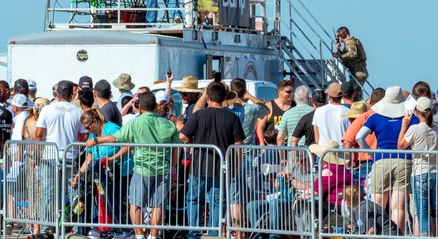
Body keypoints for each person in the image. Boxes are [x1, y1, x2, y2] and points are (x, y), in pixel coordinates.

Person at [87, 91, 182, 239]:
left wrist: (95, 141)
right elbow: (177, 147)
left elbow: (115, 138)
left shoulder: (135, 123)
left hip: (141, 169)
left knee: (135, 204)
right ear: (156, 106)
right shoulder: (168, 124)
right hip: (163, 169)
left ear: (140, 107)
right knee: (157, 206)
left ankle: (139, 236)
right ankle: (153, 236)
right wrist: (173, 166)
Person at [179, 82, 244, 239]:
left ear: (207, 97)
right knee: (216, 203)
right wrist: (235, 166)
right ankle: (214, 233)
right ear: (224, 99)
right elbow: (239, 145)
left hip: (199, 166)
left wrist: (192, 145)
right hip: (220, 168)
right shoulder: (232, 117)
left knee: (194, 200)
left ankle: (193, 233)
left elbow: (182, 136)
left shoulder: (198, 115)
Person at [35, 80, 88, 238]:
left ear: (56, 93)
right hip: (70, 156)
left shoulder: (47, 109)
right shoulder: (77, 111)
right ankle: (76, 228)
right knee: (74, 194)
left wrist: (38, 156)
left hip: (50, 156)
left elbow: (39, 135)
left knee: (48, 194)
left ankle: (45, 230)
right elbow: (84, 136)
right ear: (71, 94)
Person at [398, 97, 438, 237]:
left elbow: (400, 146)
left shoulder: (414, 129)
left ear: (417, 111)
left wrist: (404, 125)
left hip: (421, 173)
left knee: (423, 214)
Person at [355, 86, 410, 230]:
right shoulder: (410, 117)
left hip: (381, 160)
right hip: (403, 160)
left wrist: (371, 153)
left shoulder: (375, 117)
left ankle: (377, 234)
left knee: (377, 204)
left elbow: (359, 136)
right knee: (399, 207)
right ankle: (397, 235)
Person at [257, 79, 295, 143]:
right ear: (279, 92)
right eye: (288, 92)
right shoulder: (269, 107)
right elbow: (260, 128)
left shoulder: (295, 106)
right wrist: (262, 145)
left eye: (292, 91)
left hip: (290, 147)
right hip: (272, 147)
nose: (291, 94)